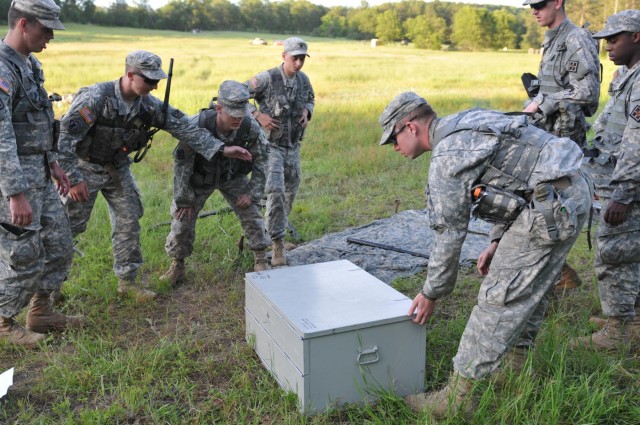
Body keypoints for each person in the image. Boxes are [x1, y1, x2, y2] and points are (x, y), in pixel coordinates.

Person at [379, 92, 591, 419]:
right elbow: (508, 181)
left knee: (498, 296)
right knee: (529, 288)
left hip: (550, 204)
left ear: (410, 127)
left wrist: (431, 292)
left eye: (393, 139)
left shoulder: (448, 155)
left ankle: (458, 397)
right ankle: (516, 372)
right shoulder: (468, 121)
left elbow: (449, 234)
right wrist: (496, 241)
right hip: (570, 189)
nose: (393, 148)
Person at [58, 51, 251, 301]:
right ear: (129, 74)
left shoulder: (148, 105)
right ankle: (49, 290)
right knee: (66, 227)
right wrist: (73, 179)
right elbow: (64, 138)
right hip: (84, 168)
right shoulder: (97, 97)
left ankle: (127, 282)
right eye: (149, 80)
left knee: (129, 220)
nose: (155, 85)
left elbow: (186, 128)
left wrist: (222, 148)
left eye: (157, 80)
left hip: (117, 169)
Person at [0, 0, 84, 348]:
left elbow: (39, 118)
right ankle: (3, 321)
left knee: (60, 245)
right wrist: (15, 193)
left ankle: (41, 311)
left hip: (39, 172)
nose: (50, 36)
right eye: (45, 29)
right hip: (13, 180)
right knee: (23, 256)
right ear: (23, 23)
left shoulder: (31, 64)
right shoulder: (3, 69)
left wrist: (53, 162)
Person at [569, 10, 640, 351]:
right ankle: (633, 318)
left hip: (627, 188)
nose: (607, 46)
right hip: (616, 181)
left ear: (636, 37)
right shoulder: (628, 75)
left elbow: (637, 143)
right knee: (629, 252)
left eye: (614, 39)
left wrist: (623, 194)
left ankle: (619, 331)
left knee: (615, 252)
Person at [523, 0, 601, 291]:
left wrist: (541, 102)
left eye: (540, 4)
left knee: (552, 209)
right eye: (530, 5)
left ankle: (557, 277)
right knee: (539, 205)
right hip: (548, 138)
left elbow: (588, 91)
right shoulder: (552, 40)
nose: (534, 9)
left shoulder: (576, 38)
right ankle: (559, 274)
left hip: (564, 143)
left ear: (558, 2)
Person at [161, 81, 271, 284]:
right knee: (182, 218)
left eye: (242, 113)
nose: (239, 119)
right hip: (200, 178)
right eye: (233, 114)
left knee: (252, 212)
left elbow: (262, 159)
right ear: (218, 108)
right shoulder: (197, 125)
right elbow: (182, 164)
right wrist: (184, 199)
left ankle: (261, 257)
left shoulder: (249, 126)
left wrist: (253, 194)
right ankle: (178, 265)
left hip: (233, 176)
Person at [244, 37, 315, 267]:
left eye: (302, 58)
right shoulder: (267, 78)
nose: (298, 63)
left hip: (292, 146)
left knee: (289, 191)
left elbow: (311, 99)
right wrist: (257, 115)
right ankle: (276, 245)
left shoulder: (304, 81)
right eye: (294, 58)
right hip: (270, 147)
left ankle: (278, 234)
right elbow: (238, 96)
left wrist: (307, 111)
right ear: (283, 56)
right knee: (274, 191)